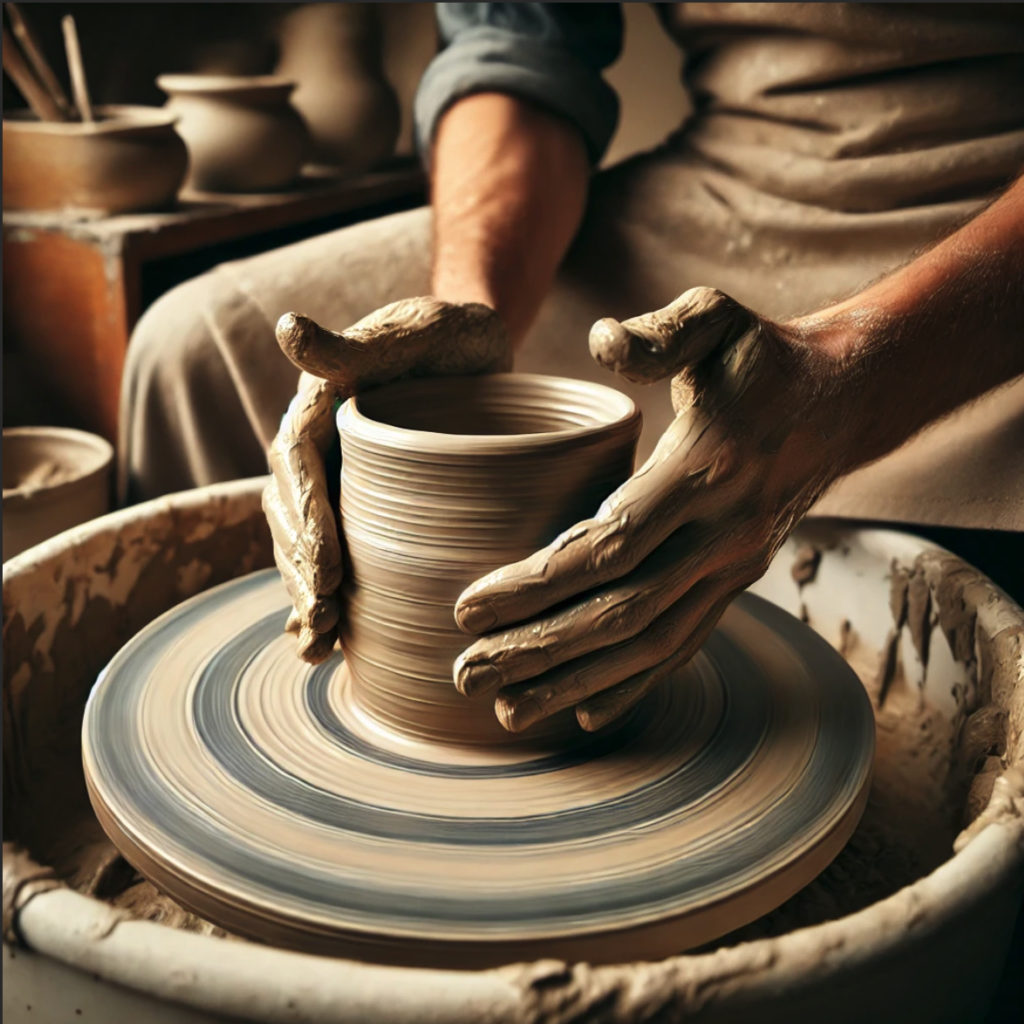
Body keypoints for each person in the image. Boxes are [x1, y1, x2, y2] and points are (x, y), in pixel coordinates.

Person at [122, 3, 1024, 733]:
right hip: (724, 190)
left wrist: (849, 379)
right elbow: (519, 42)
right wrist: (476, 308)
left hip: (988, 247)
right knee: (195, 350)